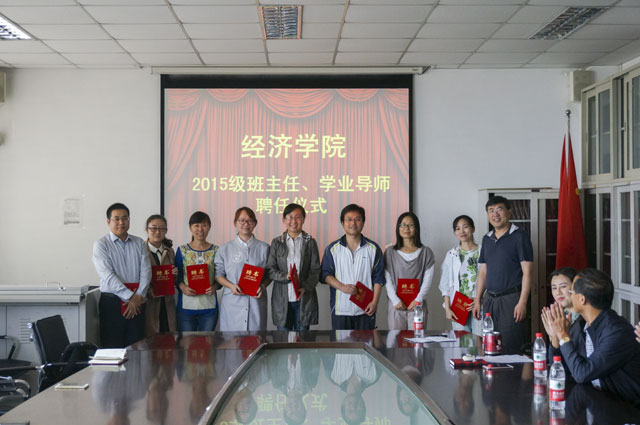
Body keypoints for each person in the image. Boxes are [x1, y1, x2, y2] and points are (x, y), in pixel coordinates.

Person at [549, 268, 640, 405]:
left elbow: (582, 374)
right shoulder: (582, 324)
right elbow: (563, 369)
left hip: (624, 408)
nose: (568, 295)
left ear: (582, 299)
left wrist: (563, 335)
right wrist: (556, 339)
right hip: (596, 400)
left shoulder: (616, 331)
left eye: (571, 292)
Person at [472, 196, 533, 353]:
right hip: (490, 300)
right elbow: (483, 272)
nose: (495, 214)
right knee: (489, 344)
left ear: (509, 212)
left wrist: (522, 302)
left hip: (511, 299)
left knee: (511, 344)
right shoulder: (487, 239)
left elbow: (527, 272)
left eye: (499, 209)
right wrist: (478, 300)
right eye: (491, 211)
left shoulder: (519, 236)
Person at [92, 202, 151, 348]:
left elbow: (146, 271)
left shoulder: (139, 242)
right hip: (112, 302)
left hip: (138, 301)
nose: (121, 222)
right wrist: (131, 297)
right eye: (116, 219)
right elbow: (107, 275)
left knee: (136, 348)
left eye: (125, 218)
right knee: (112, 348)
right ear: (108, 221)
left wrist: (139, 296)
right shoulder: (101, 244)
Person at [320, 204, 384, 330]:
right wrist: (342, 287)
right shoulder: (332, 249)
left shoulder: (373, 249)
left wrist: (374, 302)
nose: (353, 223)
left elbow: (378, 278)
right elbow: (325, 274)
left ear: (363, 222)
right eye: (349, 219)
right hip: (340, 309)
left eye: (357, 219)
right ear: (342, 223)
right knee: (340, 342)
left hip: (366, 308)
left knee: (367, 341)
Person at [266, 203, 321, 331]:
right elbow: (270, 270)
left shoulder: (310, 242)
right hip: (282, 299)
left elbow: (315, 270)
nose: (294, 221)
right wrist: (285, 276)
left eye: (298, 217)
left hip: (303, 298)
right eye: (290, 217)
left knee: (302, 339)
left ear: (303, 219)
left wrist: (305, 288)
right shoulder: (277, 242)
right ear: (284, 220)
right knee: (282, 338)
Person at [215, 207, 270, 331]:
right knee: (232, 340)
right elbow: (218, 274)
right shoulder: (225, 249)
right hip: (232, 302)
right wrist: (230, 286)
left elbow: (269, 274)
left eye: (250, 221)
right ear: (235, 223)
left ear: (255, 223)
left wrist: (262, 286)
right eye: (242, 220)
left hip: (256, 302)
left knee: (256, 339)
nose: (246, 224)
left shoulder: (264, 248)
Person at [384, 212, 435, 330]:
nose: (406, 228)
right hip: (396, 305)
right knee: (396, 339)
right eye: (403, 225)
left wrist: (418, 300)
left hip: (417, 305)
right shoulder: (390, 252)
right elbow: (387, 278)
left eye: (411, 225)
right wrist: (395, 300)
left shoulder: (426, 252)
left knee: (417, 339)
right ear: (398, 228)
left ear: (416, 228)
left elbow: (428, 280)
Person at [175, 211, 219, 332]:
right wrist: (182, 287)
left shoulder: (216, 250)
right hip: (186, 306)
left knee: (207, 341)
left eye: (204, 225)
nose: (200, 229)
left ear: (209, 227)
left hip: (209, 306)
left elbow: (221, 276)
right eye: (196, 225)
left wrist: (215, 287)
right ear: (190, 228)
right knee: (187, 342)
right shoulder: (182, 250)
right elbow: (177, 276)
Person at [439, 215, 482, 335]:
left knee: (480, 340)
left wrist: (479, 299)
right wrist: (447, 308)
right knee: (462, 342)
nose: (462, 231)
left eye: (465, 227)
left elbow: (490, 279)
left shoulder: (483, 251)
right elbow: (445, 284)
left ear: (473, 229)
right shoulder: (452, 254)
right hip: (459, 306)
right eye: (458, 228)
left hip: (479, 304)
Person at [144, 214, 178, 336]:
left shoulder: (170, 251)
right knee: (151, 339)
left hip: (167, 303)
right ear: (147, 230)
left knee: (168, 338)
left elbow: (173, 280)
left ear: (166, 230)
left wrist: (174, 274)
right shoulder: (140, 250)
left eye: (161, 228)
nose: (157, 232)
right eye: (153, 228)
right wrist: (149, 291)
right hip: (149, 303)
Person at [540, 267, 578, 351]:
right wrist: (553, 337)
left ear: (575, 287)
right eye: (554, 288)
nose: (558, 292)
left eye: (563, 286)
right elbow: (554, 356)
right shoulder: (557, 318)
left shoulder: (584, 315)